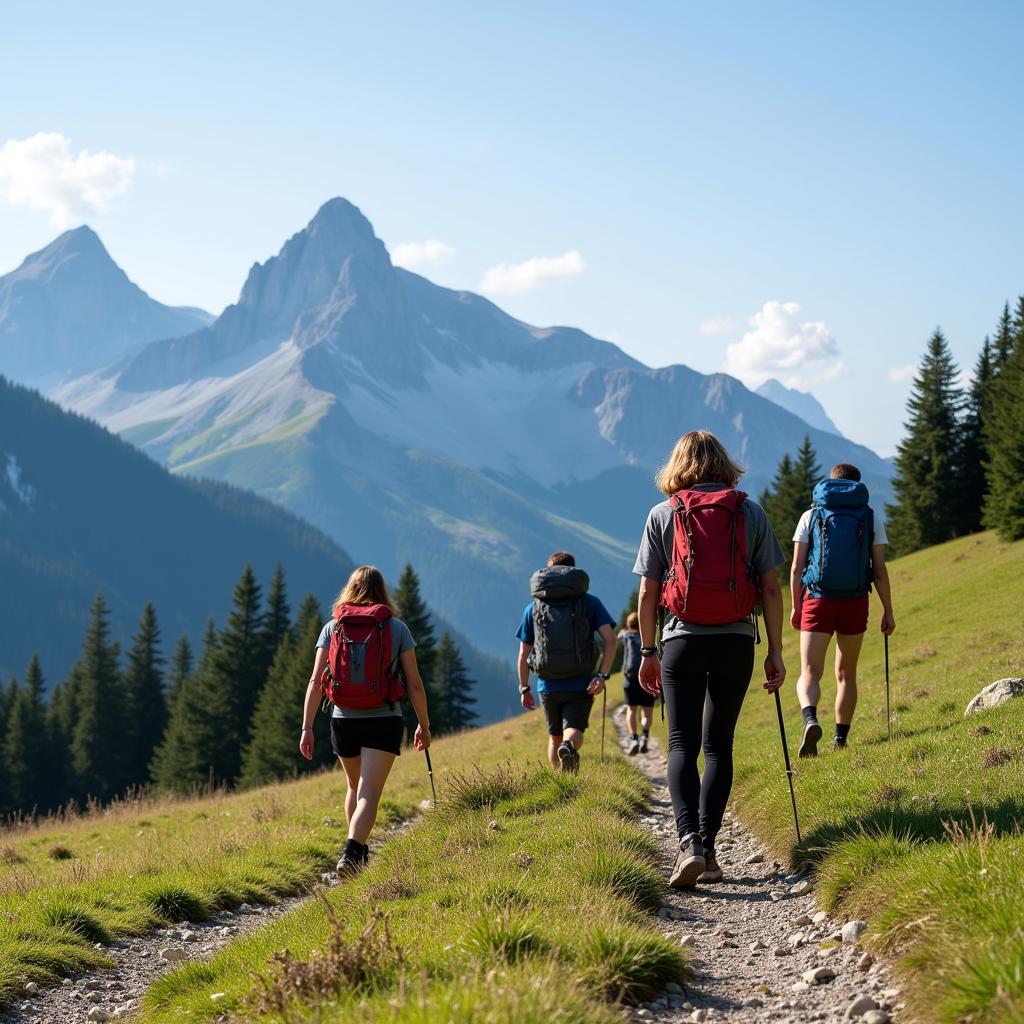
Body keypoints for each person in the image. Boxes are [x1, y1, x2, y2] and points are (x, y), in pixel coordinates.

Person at [634, 431, 786, 888]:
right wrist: (776, 651)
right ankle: (711, 849)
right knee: (719, 745)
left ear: (677, 466)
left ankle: (688, 846)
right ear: (724, 464)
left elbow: (647, 591)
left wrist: (646, 652)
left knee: (681, 744)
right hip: (736, 640)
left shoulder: (663, 514)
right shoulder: (749, 512)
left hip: (681, 639)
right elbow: (773, 589)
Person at [299, 565, 431, 876]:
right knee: (369, 793)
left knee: (354, 786)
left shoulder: (333, 628)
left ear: (349, 589)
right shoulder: (396, 628)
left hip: (343, 719)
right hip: (383, 718)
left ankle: (354, 852)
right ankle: (352, 850)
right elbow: (414, 683)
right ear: (383, 591)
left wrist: (306, 726)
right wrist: (423, 724)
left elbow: (316, 681)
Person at [790, 463, 896, 756]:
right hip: (855, 600)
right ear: (856, 486)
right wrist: (888, 610)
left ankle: (810, 719)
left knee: (810, 671)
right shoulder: (870, 517)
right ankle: (840, 740)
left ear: (830, 483)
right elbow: (879, 570)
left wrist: (797, 607)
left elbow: (797, 567)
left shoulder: (810, 515)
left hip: (817, 600)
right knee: (846, 673)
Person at [516, 551, 617, 773]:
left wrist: (524, 688)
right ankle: (569, 747)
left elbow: (524, 654)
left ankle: (561, 783)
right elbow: (610, 640)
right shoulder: (590, 603)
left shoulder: (533, 607)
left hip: (547, 684)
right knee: (574, 729)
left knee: (553, 737)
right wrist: (601, 675)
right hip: (581, 682)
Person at [618, 612, 654, 755]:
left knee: (631, 710)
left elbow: (616, 639)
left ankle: (633, 738)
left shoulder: (626, 636)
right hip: (647, 677)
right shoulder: (647, 636)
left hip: (630, 677)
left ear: (629, 624)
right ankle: (645, 735)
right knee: (647, 711)